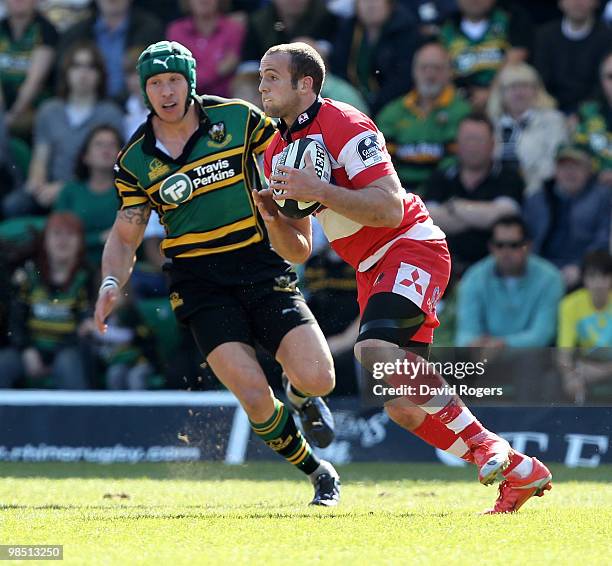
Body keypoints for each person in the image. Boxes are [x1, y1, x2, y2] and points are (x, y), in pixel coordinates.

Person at [257, 41, 552, 514]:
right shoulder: (274, 151)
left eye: (273, 75)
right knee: (400, 406)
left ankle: (488, 446)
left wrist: (321, 191)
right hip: (370, 267)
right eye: (261, 75)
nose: (262, 84)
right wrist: (272, 218)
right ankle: (516, 470)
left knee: (373, 351)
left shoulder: (347, 124)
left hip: (410, 243)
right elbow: (300, 247)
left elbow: (389, 207)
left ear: (305, 83)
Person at [94, 40, 340, 506]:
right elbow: (126, 235)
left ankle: (302, 396)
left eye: (173, 81)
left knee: (319, 377)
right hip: (198, 283)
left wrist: (301, 204)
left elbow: (292, 151)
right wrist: (111, 282)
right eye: (154, 83)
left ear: (190, 81)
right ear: (143, 90)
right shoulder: (134, 161)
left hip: (260, 267)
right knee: (251, 390)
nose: (166, 92)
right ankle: (318, 471)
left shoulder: (237, 119)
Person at [4, 41, 124, 218]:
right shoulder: (49, 110)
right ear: (66, 72)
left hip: (90, 190)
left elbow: (110, 166)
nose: (83, 73)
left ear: (100, 74)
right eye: (76, 66)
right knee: (13, 206)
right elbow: (40, 157)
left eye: (90, 67)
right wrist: (38, 184)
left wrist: (64, 189)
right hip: (48, 188)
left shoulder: (110, 113)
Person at [0, 212, 94, 390]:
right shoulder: (28, 275)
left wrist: (57, 352)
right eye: (57, 234)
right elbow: (16, 320)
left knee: (67, 363)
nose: (62, 241)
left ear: (80, 242)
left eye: (70, 235)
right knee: (3, 364)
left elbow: (85, 326)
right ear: (45, 241)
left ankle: (79, 418)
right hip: (30, 348)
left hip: (69, 349)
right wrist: (26, 349)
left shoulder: (87, 278)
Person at [423, 113, 524, 272]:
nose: (472, 146)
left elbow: (505, 217)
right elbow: (428, 221)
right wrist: (482, 215)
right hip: (443, 266)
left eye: (478, 140)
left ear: (492, 144)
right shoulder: (441, 176)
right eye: (467, 139)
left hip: (494, 268)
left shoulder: (508, 176)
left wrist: (455, 206)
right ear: (457, 143)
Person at [376, 42, 472, 195]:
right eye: (424, 68)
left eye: (437, 68)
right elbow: (382, 161)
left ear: (449, 72)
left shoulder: (462, 112)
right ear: (414, 71)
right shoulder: (392, 112)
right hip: (398, 194)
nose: (430, 74)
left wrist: (425, 194)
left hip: (443, 194)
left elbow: (454, 162)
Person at [524, 144, 611, 290]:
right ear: (555, 170)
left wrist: (581, 267)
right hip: (539, 271)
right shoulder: (536, 200)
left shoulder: (602, 198)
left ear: (589, 171)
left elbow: (602, 240)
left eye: (577, 166)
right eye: (564, 166)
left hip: (587, 273)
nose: (570, 172)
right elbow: (524, 239)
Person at [486, 63, 569, 195]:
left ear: (537, 91)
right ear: (500, 93)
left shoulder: (553, 121)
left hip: (539, 190)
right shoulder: (490, 123)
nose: (519, 93)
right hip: (495, 190)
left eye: (525, 86)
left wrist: (527, 187)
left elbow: (556, 163)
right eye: (512, 87)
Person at [438, 0, 533, 110]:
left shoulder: (511, 18)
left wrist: (491, 93)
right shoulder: (445, 27)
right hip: (458, 102)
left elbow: (518, 56)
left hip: (505, 101)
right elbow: (439, 67)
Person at [330, 0, 419, 115]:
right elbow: (339, 68)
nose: (370, 4)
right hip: (351, 102)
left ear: (389, 4)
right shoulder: (349, 29)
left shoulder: (405, 29)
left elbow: (403, 78)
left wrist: (374, 105)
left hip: (394, 105)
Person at [54, 125, 124, 266]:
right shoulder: (70, 191)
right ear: (85, 156)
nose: (106, 149)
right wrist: (99, 238)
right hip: (75, 266)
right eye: (99, 144)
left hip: (118, 265)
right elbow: (56, 235)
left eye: (112, 144)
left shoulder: (129, 192)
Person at [534, 0, 612, 114]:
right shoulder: (545, 34)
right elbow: (540, 77)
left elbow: (604, 83)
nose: (577, 2)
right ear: (560, 2)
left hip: (596, 110)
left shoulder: (607, 37)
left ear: (596, 2)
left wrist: (581, 114)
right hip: (549, 108)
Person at [557, 250, 612, 403]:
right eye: (593, 276)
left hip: (606, 367)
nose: (599, 283)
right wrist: (569, 375)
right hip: (584, 365)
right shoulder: (569, 305)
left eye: (605, 276)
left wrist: (603, 372)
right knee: (553, 380)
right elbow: (564, 352)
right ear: (584, 279)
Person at [0, 0, 58, 138]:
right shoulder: (1, 28)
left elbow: (34, 82)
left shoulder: (45, 30)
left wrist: (11, 117)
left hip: (31, 109)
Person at [166, 0, 246, 98]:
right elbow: (180, 72)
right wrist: (217, 71)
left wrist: (193, 76)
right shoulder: (176, 31)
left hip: (227, 99)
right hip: (188, 99)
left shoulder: (234, 29)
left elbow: (231, 63)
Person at [574, 51, 612, 187]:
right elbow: (576, 154)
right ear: (602, 81)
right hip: (594, 189)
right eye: (610, 77)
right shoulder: (586, 114)